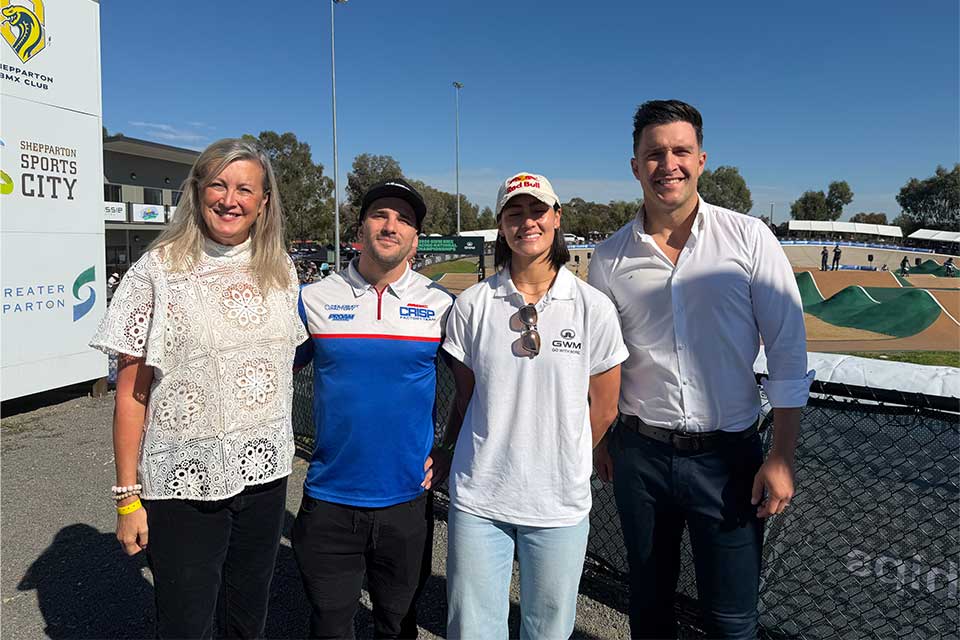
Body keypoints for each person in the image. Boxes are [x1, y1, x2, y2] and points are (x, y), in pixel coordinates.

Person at [589, 100, 811, 639]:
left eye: (680, 151)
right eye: (654, 153)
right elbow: (597, 364)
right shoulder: (609, 257)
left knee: (733, 620)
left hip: (730, 457)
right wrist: (599, 444)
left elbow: (787, 348)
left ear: (702, 159)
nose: (669, 163)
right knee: (648, 611)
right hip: (639, 457)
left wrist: (781, 454)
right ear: (635, 165)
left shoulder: (749, 237)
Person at [90, 138, 306, 638]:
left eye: (245, 189)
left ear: (263, 202)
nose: (230, 200)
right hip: (186, 485)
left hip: (265, 478)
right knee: (188, 626)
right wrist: (127, 499)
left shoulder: (281, 270)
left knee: (246, 618)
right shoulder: (157, 271)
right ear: (198, 191)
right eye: (219, 185)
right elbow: (130, 393)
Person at [434, 172, 628, 639]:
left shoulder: (592, 307)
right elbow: (467, 396)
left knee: (547, 629)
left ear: (556, 218)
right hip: (481, 495)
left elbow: (604, 409)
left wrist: (564, 456)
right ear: (501, 224)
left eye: (537, 211)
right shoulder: (474, 305)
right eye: (514, 213)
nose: (527, 222)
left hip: (558, 501)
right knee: (473, 628)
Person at [292, 179, 453, 639]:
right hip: (329, 498)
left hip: (406, 500)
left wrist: (447, 445)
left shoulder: (441, 305)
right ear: (360, 227)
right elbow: (267, 376)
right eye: (381, 214)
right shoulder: (314, 298)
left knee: (397, 624)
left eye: (404, 219)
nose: (391, 225)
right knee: (330, 625)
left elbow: (476, 384)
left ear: (416, 239)